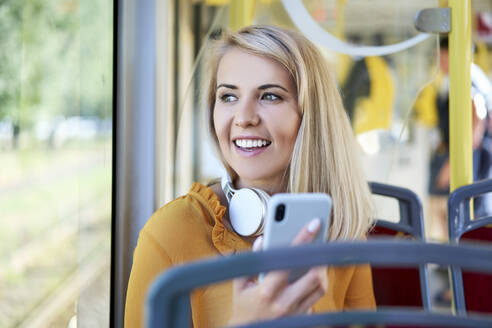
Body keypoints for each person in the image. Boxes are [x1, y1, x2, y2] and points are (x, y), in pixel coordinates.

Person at [124, 25, 376, 327]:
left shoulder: (342, 230)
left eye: (269, 96)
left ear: (311, 116)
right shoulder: (169, 233)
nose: (244, 118)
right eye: (228, 97)